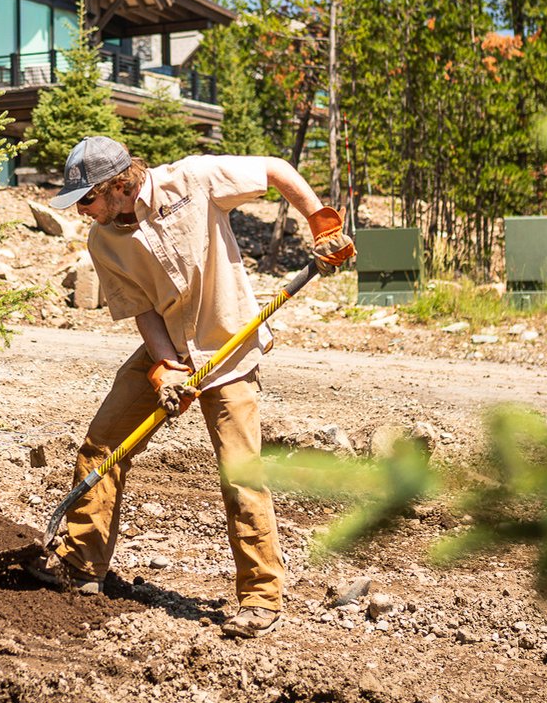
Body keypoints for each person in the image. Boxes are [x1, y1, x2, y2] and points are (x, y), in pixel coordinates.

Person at [32, 135, 354, 639]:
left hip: (228, 347)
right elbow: (142, 308)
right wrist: (165, 367)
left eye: (87, 199)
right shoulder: (103, 240)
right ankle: (80, 565)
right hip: (171, 349)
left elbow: (274, 169)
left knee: (240, 473)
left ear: (119, 184)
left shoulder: (195, 179)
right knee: (102, 445)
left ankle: (261, 598)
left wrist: (321, 221)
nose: (82, 212)